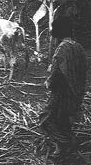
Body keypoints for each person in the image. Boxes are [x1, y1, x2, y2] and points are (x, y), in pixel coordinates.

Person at [39, 16, 87, 156]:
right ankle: (68, 141)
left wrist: (49, 82)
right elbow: (82, 70)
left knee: (47, 118)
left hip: (62, 92)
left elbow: (57, 73)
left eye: (54, 28)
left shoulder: (62, 48)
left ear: (59, 30)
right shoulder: (78, 47)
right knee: (63, 118)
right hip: (75, 92)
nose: (52, 31)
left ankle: (63, 145)